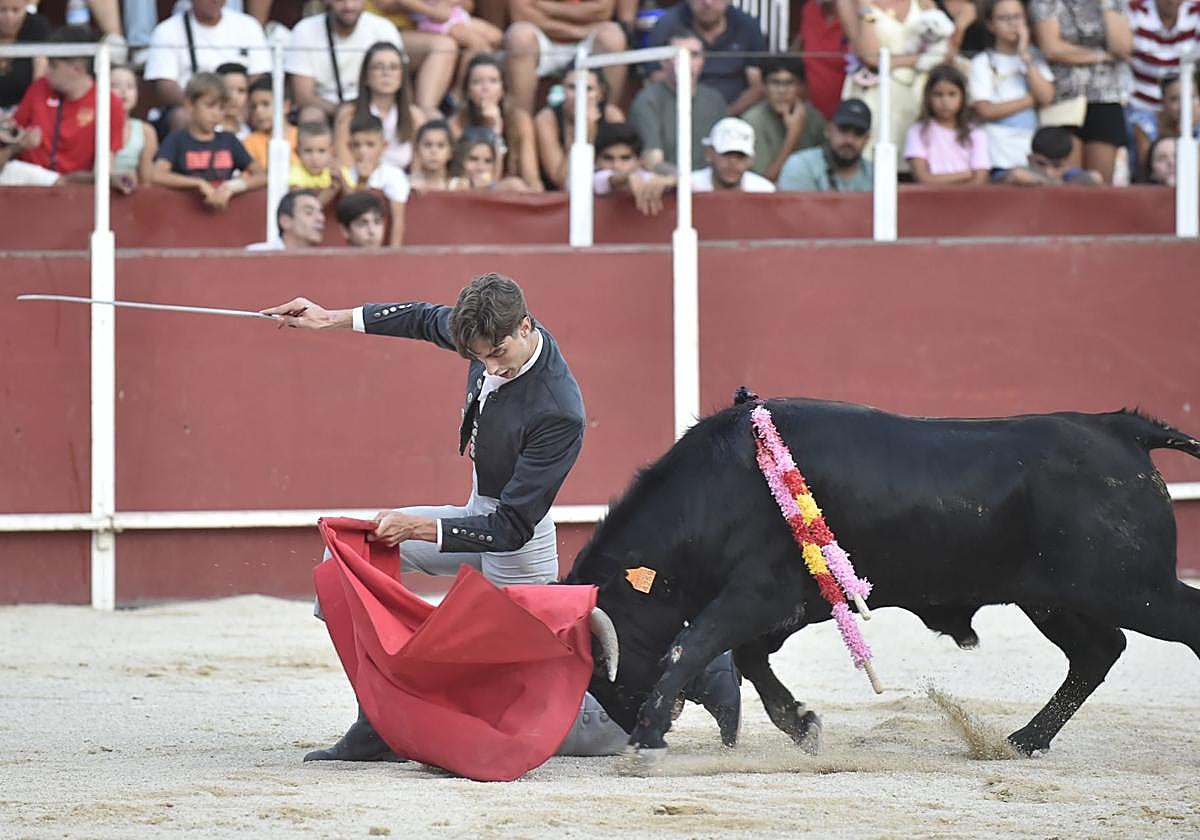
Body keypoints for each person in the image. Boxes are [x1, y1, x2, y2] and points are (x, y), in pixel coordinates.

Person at [262, 274, 616, 761]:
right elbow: (420, 318)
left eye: (497, 355)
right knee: (349, 555)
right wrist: (330, 318)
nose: (491, 366)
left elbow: (511, 527)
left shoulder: (559, 410)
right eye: (479, 357)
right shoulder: (485, 328)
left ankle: (627, 717)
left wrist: (419, 528)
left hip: (518, 543)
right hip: (478, 512)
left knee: (540, 715)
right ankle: (378, 721)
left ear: (525, 328)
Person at [1030, 0, 1133, 182]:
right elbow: (1052, 49)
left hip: (1105, 97)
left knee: (1100, 184)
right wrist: (1101, 56)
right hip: (1064, 97)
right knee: (1067, 181)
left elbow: (1123, 48)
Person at [8, 25, 125, 185]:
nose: (46, 70)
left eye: (53, 65)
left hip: (76, 191)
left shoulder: (109, 103)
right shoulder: (39, 88)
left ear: (77, 69)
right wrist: (19, 142)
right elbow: (13, 132)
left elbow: (105, 164)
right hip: (29, 187)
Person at [841, 0, 940, 169]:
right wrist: (918, 59)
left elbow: (939, 47)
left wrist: (890, 62)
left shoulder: (923, 2)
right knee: (875, 166)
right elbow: (870, 57)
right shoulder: (851, 3)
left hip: (918, 93)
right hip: (876, 95)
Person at [151, 71, 266, 208]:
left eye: (221, 108)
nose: (216, 114)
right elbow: (156, 175)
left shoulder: (229, 141)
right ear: (190, 105)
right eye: (210, 105)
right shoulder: (177, 139)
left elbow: (262, 175)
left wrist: (232, 187)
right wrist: (197, 183)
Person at [143, 0, 269, 123]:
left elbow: (259, 77)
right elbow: (165, 86)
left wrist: (243, 106)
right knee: (183, 117)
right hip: (194, 108)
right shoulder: (167, 30)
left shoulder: (248, 25)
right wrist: (202, 106)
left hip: (240, 108)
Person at [969, 0, 1056, 178]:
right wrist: (1031, 100)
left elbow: (1047, 96)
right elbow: (985, 110)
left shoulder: (1034, 57)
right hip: (997, 155)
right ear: (990, 24)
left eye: (1017, 17)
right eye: (1004, 18)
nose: (1012, 24)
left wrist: (1024, 54)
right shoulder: (982, 62)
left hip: (1031, 150)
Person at [502, 0, 628, 115]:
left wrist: (543, 6)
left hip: (587, 38)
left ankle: (608, 120)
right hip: (541, 37)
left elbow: (603, 10)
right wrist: (578, 24)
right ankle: (521, 125)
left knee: (613, 38)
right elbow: (521, 13)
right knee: (519, 37)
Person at [286, 0, 406, 119]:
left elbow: (400, 82)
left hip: (374, 112)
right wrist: (346, 113)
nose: (349, 5)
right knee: (311, 115)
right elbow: (304, 97)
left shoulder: (384, 28)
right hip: (327, 110)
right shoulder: (304, 30)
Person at [645, 0, 767, 115]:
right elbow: (657, 77)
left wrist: (725, 114)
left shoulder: (747, 25)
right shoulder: (668, 23)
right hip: (679, 110)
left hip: (736, 114)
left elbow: (757, 86)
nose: (707, 2)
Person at [629, 30, 727, 172]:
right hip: (670, 186)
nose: (687, 62)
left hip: (712, 184)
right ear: (663, 62)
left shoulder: (714, 99)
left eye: (694, 55)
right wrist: (687, 182)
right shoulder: (648, 101)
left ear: (703, 60)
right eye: (679, 55)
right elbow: (652, 161)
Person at [449, 53, 540, 190]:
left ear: (503, 89)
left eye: (493, 81)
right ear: (467, 90)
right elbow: (471, 178)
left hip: (506, 193)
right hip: (468, 191)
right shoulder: (456, 123)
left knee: (516, 185)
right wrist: (493, 132)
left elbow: (532, 178)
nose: (485, 88)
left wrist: (497, 129)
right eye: (477, 82)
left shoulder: (519, 120)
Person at [1125, 0, 1200, 163]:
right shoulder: (1135, 11)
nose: (1173, 2)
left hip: (1186, 102)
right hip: (1140, 105)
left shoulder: (1196, 12)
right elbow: (1122, 51)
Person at [333, 40, 425, 170]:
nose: (386, 73)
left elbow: (419, 165)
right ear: (366, 75)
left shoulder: (415, 116)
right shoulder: (348, 113)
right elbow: (344, 163)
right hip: (360, 185)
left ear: (402, 76)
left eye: (393, 67)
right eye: (378, 67)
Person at [534, 65, 624, 190]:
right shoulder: (547, 118)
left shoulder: (612, 116)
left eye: (588, 89)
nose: (579, 95)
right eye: (572, 87)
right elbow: (561, 180)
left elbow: (622, 168)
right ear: (563, 90)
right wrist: (584, 133)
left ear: (601, 93)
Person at [738, 57, 827, 182]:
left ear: (801, 87)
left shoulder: (814, 118)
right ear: (764, 87)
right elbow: (763, 183)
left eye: (789, 83)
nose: (782, 91)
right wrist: (792, 136)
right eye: (775, 83)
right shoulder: (752, 120)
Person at [904, 62, 989, 184]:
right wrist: (966, 174)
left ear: (963, 97)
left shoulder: (976, 134)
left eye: (952, 94)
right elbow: (923, 178)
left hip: (968, 200)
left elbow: (979, 180)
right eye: (938, 95)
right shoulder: (918, 131)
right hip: (929, 200)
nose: (945, 101)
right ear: (928, 97)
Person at [777, 97, 874, 190]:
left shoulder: (877, 176)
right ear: (828, 130)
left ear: (867, 138)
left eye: (859, 133)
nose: (849, 140)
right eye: (843, 129)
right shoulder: (800, 165)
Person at [341, 113, 409, 244]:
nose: (363, 151)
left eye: (370, 145)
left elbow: (398, 221)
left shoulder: (393, 175)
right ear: (349, 147)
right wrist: (361, 181)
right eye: (356, 145)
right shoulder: (346, 175)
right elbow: (353, 213)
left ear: (384, 146)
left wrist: (393, 255)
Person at [593, 120, 677, 215]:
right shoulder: (588, 179)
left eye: (625, 158)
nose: (616, 165)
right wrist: (626, 178)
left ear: (639, 160)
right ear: (596, 159)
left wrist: (670, 180)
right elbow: (602, 179)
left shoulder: (646, 177)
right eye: (608, 158)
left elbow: (695, 181)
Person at [1131, 71, 1200, 177]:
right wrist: (1184, 131)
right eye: (1175, 99)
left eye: (1192, 97)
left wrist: (1189, 130)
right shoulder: (1145, 124)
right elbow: (1148, 168)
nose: (1184, 105)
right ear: (1163, 101)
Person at [690, 116, 776, 191]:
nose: (732, 163)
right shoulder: (687, 187)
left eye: (740, 156)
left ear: (750, 160)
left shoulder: (764, 190)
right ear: (709, 153)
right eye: (726, 154)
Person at [795, 0, 848, 120]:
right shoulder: (810, 9)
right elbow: (799, 48)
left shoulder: (857, 16)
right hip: (809, 114)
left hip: (845, 117)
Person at [1001, 124, 1102, 184]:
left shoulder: (1070, 175)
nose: (1048, 171)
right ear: (1029, 159)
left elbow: (1095, 177)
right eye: (1041, 164)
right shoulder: (1022, 170)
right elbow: (1017, 175)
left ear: (1066, 165)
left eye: (1056, 166)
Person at [111, 63, 158, 191]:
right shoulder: (92, 126)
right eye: (115, 86)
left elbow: (146, 181)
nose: (123, 91)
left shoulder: (146, 131)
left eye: (130, 86)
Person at [0, 0, 50, 113]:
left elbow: (40, 77)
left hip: (24, 109)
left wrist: (27, 112)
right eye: (2, 10)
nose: (9, 17)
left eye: (15, 10)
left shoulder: (36, 26)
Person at [242, 74, 297, 169]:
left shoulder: (302, 137)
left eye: (265, 104)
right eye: (253, 106)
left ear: (285, 106)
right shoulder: (250, 142)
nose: (258, 111)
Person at [248, 189, 327, 249]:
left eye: (320, 213)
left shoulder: (325, 264)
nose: (321, 218)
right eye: (309, 212)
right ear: (285, 222)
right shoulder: (256, 255)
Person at [290, 120, 341, 205]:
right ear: (297, 152)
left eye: (321, 151)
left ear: (332, 151)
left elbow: (354, 199)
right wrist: (332, 189)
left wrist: (342, 181)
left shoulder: (336, 170)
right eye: (308, 151)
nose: (314, 158)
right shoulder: (294, 172)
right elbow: (305, 207)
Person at [408, 118, 455, 190]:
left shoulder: (457, 186)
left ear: (450, 152)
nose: (433, 151)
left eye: (440, 145)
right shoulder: (406, 184)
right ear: (417, 150)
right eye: (427, 145)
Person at [216, 61, 250, 139]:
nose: (234, 97)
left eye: (241, 90)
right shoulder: (207, 132)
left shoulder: (248, 133)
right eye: (228, 90)